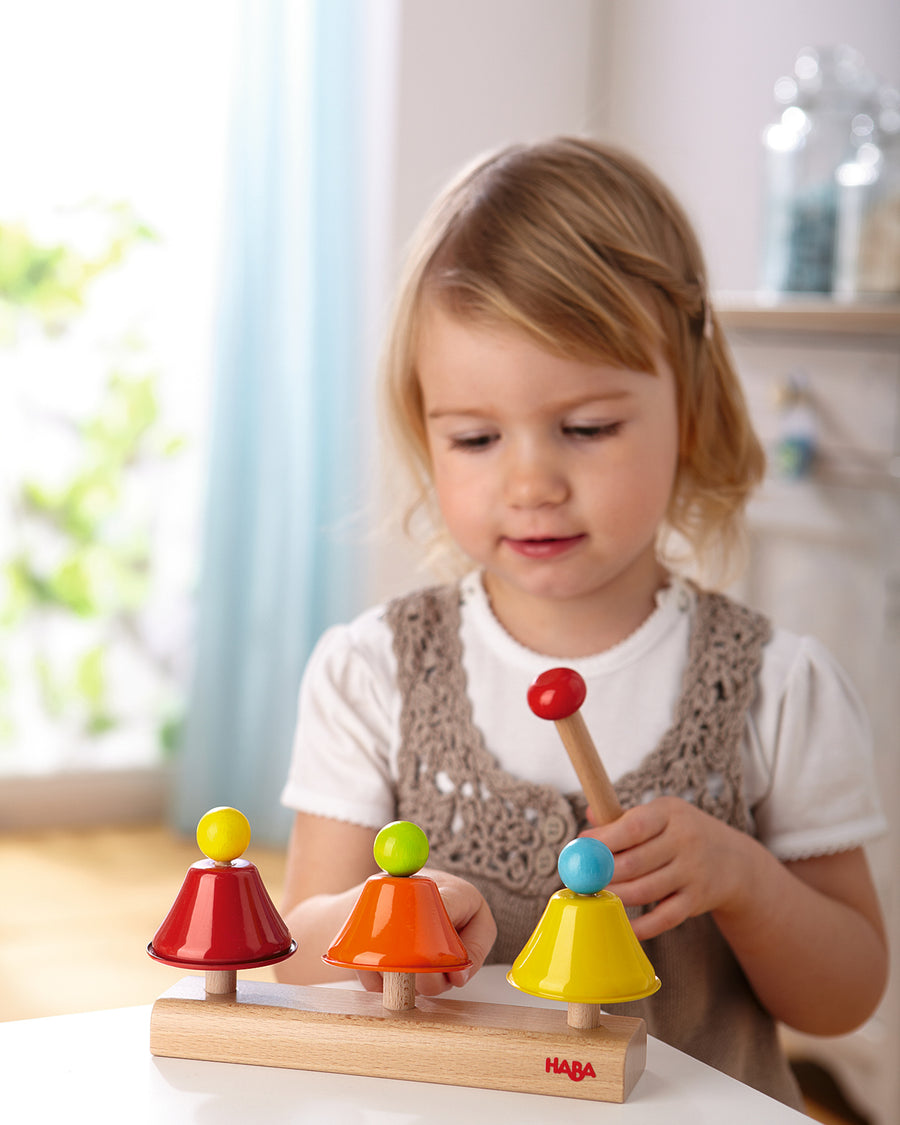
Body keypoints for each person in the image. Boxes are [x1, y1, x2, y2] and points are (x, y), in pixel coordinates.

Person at [276, 137, 888, 1106]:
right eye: (475, 438)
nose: (530, 482)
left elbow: (844, 996)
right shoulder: (371, 674)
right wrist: (393, 916)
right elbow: (295, 956)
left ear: (689, 408)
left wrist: (745, 880)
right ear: (423, 426)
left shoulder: (777, 687)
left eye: (588, 428)